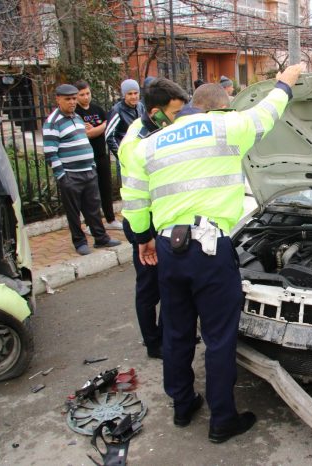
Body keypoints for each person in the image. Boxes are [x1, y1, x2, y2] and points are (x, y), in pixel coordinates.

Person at [121, 63, 303, 443]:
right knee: (219, 338)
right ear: (220, 108)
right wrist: (285, 83)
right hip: (209, 248)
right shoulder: (225, 126)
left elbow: (134, 200)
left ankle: (183, 405)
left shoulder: (149, 143)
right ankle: (222, 420)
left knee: (176, 331)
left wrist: (144, 240)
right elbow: (267, 113)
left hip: (169, 247)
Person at [119, 78, 189, 360]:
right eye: (174, 113)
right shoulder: (136, 143)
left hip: (161, 218)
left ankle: (169, 334)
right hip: (143, 222)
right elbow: (136, 198)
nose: (178, 119)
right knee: (149, 287)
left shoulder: (157, 129)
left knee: (169, 282)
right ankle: (153, 342)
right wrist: (143, 237)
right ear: (155, 113)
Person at [43, 84, 121, 255]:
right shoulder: (53, 122)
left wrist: (92, 166)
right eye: (68, 99)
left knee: (93, 207)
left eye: (73, 98)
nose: (72, 102)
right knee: (74, 211)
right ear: (58, 99)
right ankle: (79, 242)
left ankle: (101, 238)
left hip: (88, 171)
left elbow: (84, 141)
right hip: (70, 174)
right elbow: (50, 153)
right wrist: (62, 176)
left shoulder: (77, 118)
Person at [74, 80, 122, 230]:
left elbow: (107, 126)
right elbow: (87, 133)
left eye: (87, 93)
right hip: (87, 157)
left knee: (105, 187)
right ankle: (91, 223)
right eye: (82, 95)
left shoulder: (97, 109)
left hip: (102, 154)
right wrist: (100, 127)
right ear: (76, 96)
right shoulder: (76, 113)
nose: (86, 97)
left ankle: (110, 219)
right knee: (91, 192)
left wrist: (97, 128)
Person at [105, 79, 146, 167]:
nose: (134, 96)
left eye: (136, 93)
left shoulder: (141, 106)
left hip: (140, 154)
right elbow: (109, 136)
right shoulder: (117, 110)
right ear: (124, 95)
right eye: (130, 94)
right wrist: (122, 156)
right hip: (126, 156)